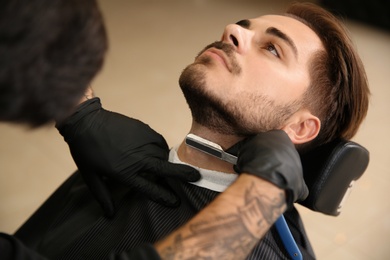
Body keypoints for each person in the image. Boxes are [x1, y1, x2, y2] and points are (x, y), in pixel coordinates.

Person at [6, 2, 369, 259]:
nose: (233, 30)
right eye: (243, 26)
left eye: (272, 49)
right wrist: (78, 112)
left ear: (299, 127)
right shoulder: (112, 168)